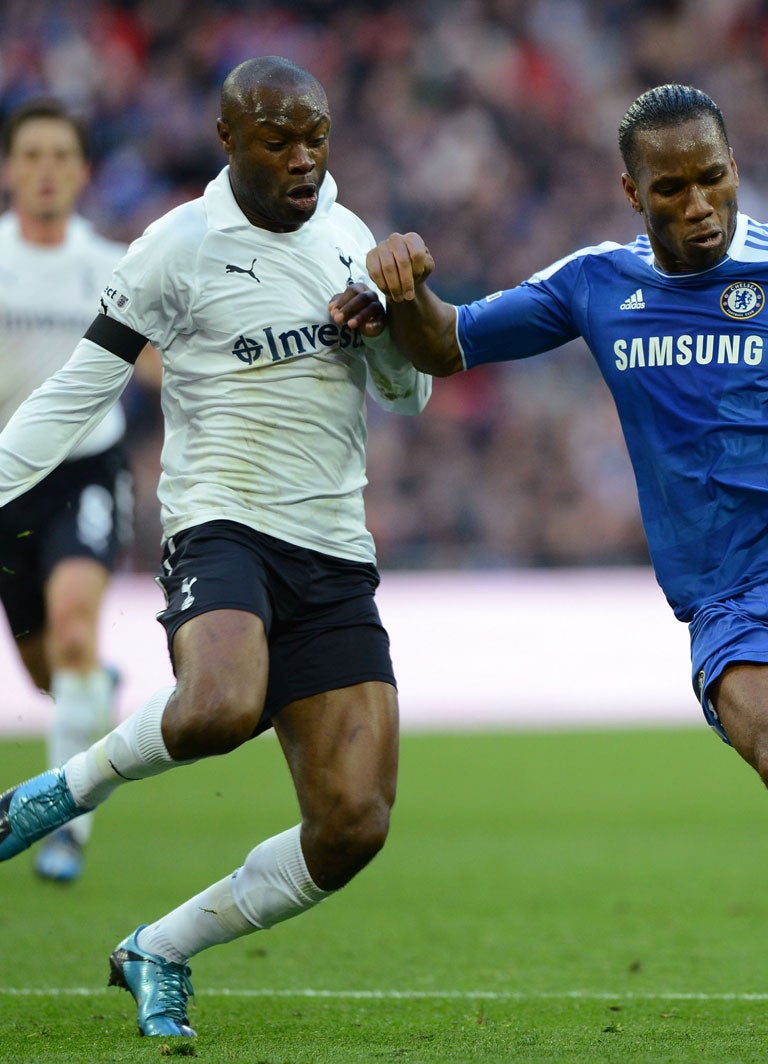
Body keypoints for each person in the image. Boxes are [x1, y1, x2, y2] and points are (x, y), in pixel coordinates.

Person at [0, 57, 430, 1038]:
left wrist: (389, 328)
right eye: (279, 140)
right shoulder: (175, 247)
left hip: (334, 547)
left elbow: (408, 396)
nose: (304, 158)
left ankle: (159, 947)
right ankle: (59, 793)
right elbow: (76, 390)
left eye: (316, 137)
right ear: (229, 140)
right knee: (220, 705)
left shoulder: (350, 238)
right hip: (221, 523)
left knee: (355, 823)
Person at [366, 82, 768, 792]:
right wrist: (405, 289)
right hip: (729, 599)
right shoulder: (596, 283)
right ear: (632, 192)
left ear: (734, 167)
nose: (699, 205)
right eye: (671, 188)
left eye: (711, 178)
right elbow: (445, 344)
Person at [0, 100, 160, 883]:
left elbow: (161, 365)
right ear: (9, 168)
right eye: (32, 155)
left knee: (71, 631)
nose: (46, 170)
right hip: (7, 479)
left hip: (85, 472)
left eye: (61, 156)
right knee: (49, 671)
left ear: (83, 172)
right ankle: (92, 689)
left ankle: (64, 829)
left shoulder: (110, 266)